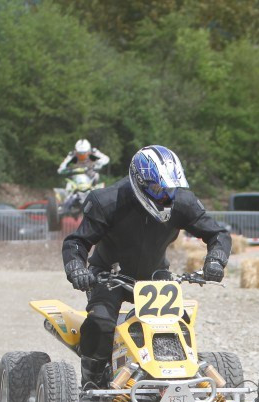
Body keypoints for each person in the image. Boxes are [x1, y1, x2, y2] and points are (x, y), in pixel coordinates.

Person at [62, 145, 231, 388]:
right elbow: (76, 241)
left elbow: (218, 233)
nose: (166, 196)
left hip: (156, 277)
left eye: (170, 188)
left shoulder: (183, 201)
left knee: (178, 325)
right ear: (139, 182)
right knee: (101, 322)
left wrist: (215, 259)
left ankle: (174, 382)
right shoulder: (107, 201)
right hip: (109, 276)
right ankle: (93, 382)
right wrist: (76, 269)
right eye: (158, 189)